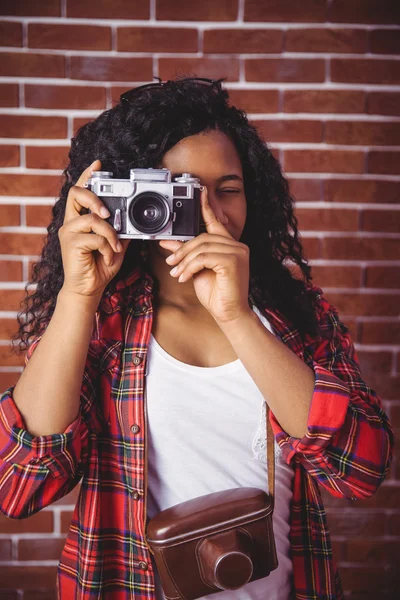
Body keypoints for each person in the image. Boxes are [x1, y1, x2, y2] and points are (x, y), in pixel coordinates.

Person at [0, 77, 394, 600]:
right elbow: (20, 485)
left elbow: (359, 471)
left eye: (226, 189)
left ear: (253, 196)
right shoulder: (102, 321)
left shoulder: (296, 314)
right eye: (179, 188)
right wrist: (78, 295)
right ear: (133, 198)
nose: (206, 210)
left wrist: (237, 315)